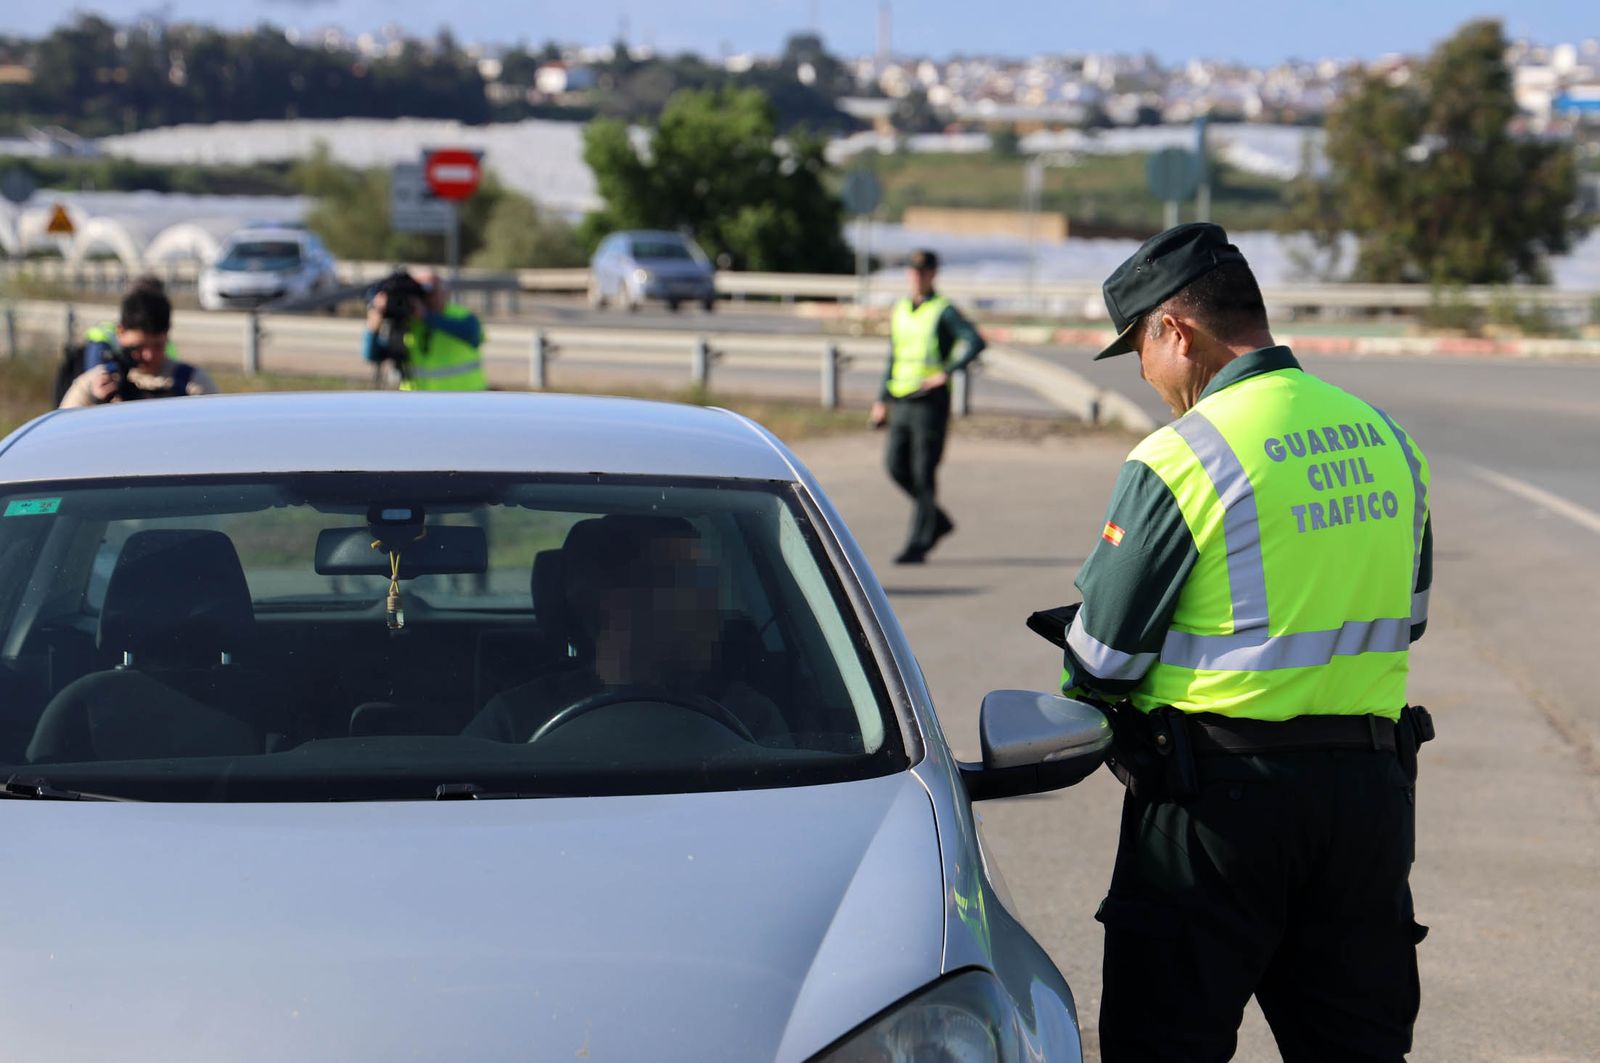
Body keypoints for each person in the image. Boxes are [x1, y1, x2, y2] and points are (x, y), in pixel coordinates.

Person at [1053, 223, 1433, 1062]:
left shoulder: (1182, 456)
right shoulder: (1387, 439)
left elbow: (1103, 662)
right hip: (1369, 802)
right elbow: (1406, 618)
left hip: (1216, 807)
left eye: (1141, 352)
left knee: (1166, 1044)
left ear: (1175, 332)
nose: (1150, 379)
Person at [463, 515, 785, 745]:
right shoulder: (515, 719)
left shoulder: (749, 716)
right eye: (686, 582)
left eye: (709, 583)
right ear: (612, 600)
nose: (711, 602)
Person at [868, 249, 986, 564]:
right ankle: (937, 520)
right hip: (902, 399)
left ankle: (918, 543)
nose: (917, 276)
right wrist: (881, 400)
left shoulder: (943, 310)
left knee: (923, 473)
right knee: (895, 466)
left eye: (923, 271)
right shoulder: (900, 310)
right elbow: (894, 357)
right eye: (913, 271)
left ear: (933, 274)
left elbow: (975, 341)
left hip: (929, 404)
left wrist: (946, 372)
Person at [57, 284, 218, 408]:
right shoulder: (92, 384)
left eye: (157, 345)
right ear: (120, 333)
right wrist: (96, 406)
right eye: (138, 347)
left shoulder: (193, 383)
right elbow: (63, 434)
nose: (148, 355)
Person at [362, 268, 487, 391]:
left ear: (445, 292)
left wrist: (427, 316)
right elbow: (372, 356)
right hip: (418, 402)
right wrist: (373, 328)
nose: (425, 298)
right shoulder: (408, 323)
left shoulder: (461, 316)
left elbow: (472, 334)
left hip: (464, 400)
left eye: (430, 291)